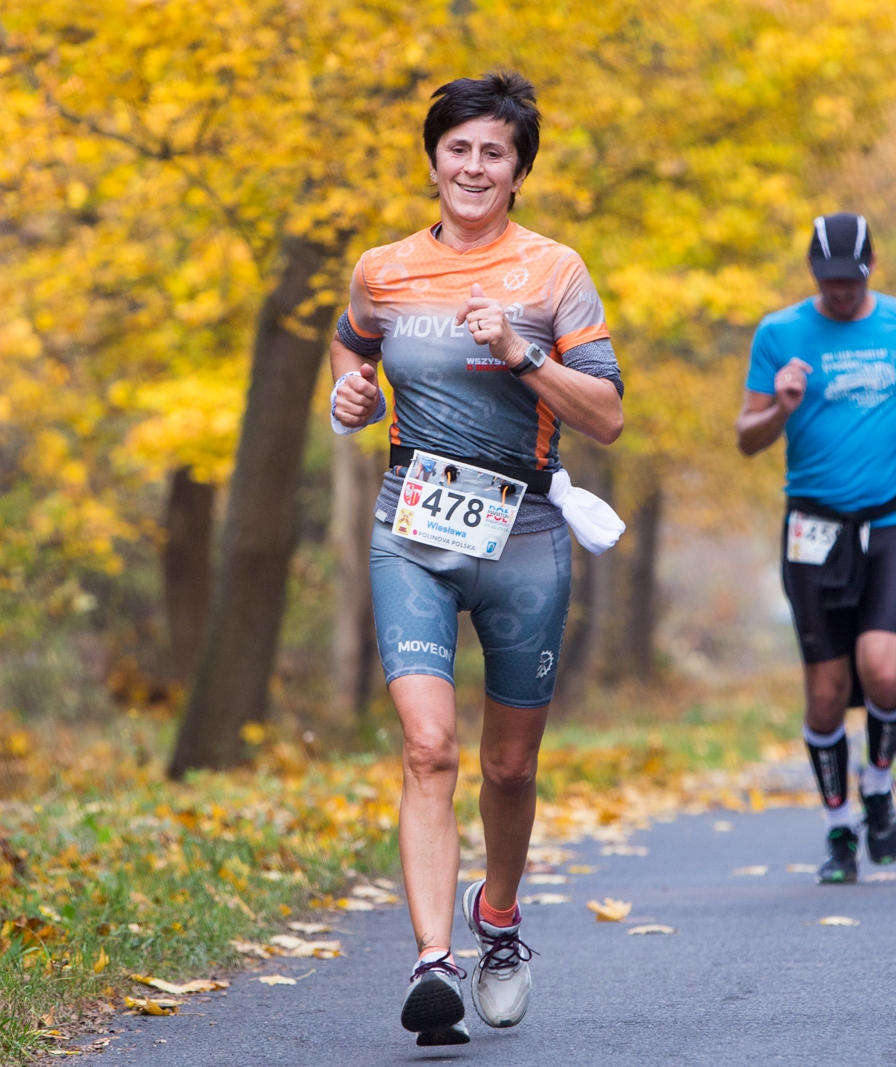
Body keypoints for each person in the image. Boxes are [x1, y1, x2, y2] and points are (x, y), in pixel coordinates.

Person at [329, 71, 625, 1046]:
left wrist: (524, 354)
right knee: (428, 747)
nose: (472, 165)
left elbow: (609, 413)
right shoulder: (382, 269)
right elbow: (351, 346)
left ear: (518, 171)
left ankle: (496, 919)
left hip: (525, 534)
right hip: (412, 523)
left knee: (506, 765)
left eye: (493, 151)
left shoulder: (553, 272)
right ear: (431, 158)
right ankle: (429, 959)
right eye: (457, 147)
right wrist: (351, 394)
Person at [737, 212, 896, 884]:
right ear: (812, 271)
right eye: (827, 280)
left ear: (871, 268)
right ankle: (840, 830)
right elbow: (747, 437)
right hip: (813, 525)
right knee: (828, 691)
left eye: (850, 279)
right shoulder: (779, 333)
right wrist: (779, 405)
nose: (838, 292)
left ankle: (879, 782)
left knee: (886, 671)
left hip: (889, 516)